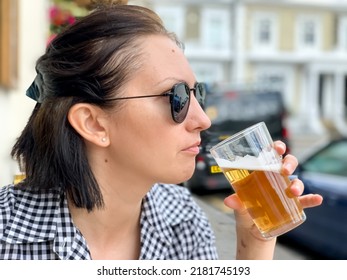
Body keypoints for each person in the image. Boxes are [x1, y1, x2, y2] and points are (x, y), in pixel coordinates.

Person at [0, 3, 322, 260]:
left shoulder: (183, 218)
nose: (203, 119)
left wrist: (254, 244)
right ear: (94, 123)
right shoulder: (7, 239)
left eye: (200, 93)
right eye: (178, 97)